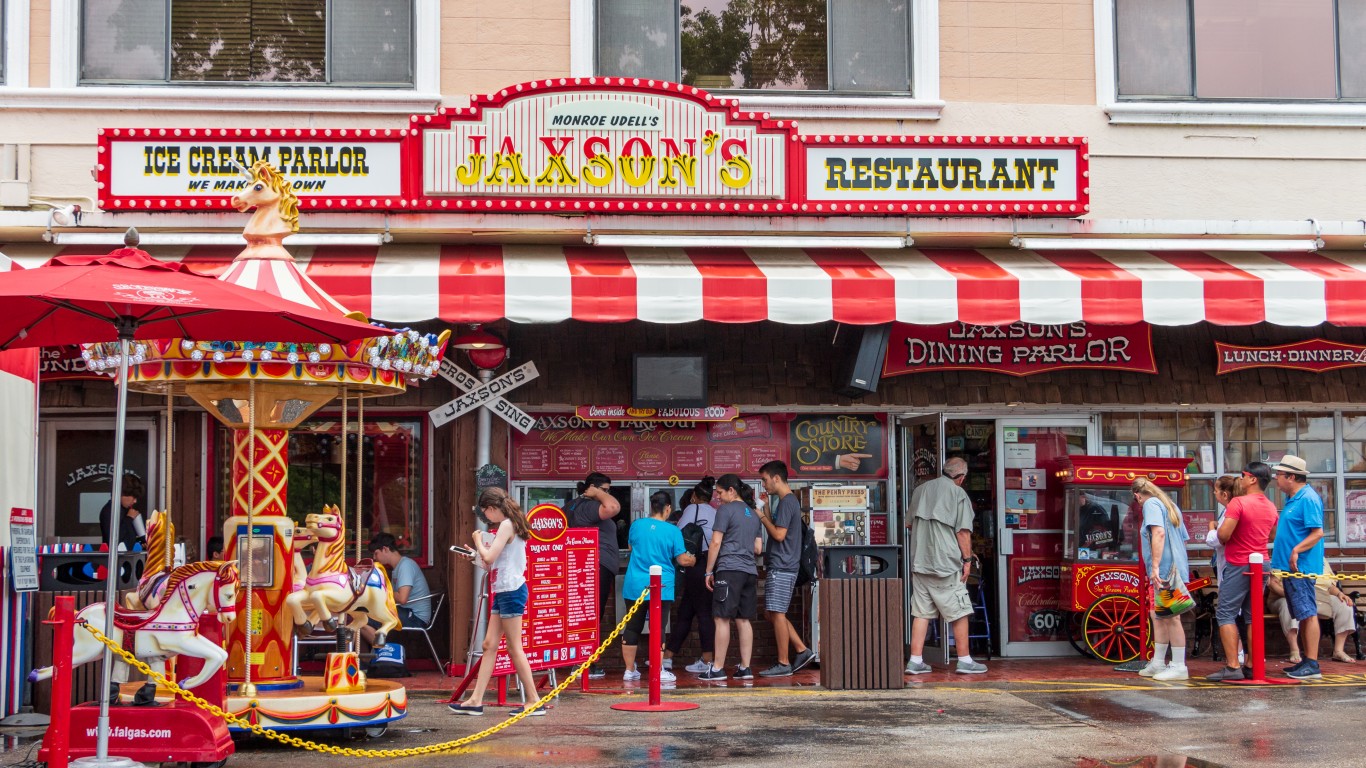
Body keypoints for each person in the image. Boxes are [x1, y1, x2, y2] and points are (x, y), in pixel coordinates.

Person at [450, 488, 544, 717]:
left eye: (485, 513)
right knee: (489, 644)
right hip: (504, 590)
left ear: (492, 508)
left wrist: (477, 540)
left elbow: (490, 556)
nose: (486, 518)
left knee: (514, 647)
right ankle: (475, 700)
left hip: (511, 590)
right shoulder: (509, 524)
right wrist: (475, 555)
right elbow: (491, 561)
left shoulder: (506, 525)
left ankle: (534, 700)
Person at [904, 458, 986, 675]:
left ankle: (915, 661)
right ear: (961, 478)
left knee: (921, 612)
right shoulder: (958, 494)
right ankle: (965, 660)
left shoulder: (921, 490)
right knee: (959, 610)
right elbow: (963, 532)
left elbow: (909, 523)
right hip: (946, 563)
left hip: (920, 561)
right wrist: (967, 560)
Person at [1205, 463, 1277, 682]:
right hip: (1262, 562)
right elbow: (1272, 535)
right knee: (1252, 615)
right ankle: (1252, 665)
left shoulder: (1238, 502)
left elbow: (1224, 535)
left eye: (1243, 475)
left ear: (1253, 479)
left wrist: (1214, 529)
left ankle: (1232, 665)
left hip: (1239, 562)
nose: (1241, 479)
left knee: (1225, 613)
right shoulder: (1271, 506)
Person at [620, 491, 696, 683]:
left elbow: (631, 547)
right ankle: (658, 670)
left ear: (651, 506)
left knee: (632, 627)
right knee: (658, 627)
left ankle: (629, 670)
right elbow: (682, 560)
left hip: (635, 583)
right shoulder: (673, 531)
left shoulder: (636, 525)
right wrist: (693, 559)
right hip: (660, 586)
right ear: (668, 508)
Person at [699, 473, 763, 682]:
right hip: (749, 571)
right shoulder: (754, 514)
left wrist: (709, 571)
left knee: (721, 618)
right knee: (743, 619)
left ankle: (717, 669)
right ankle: (745, 668)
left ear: (731, 491)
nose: (717, 497)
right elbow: (758, 548)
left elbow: (716, 542)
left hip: (729, 569)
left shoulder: (725, 510)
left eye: (719, 493)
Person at [755, 460, 816, 677]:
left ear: (776, 478)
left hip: (782, 565)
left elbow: (779, 535)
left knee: (778, 613)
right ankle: (801, 649)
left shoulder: (787, 502)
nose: (764, 485)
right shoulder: (786, 502)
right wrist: (766, 509)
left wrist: (761, 516)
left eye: (765, 480)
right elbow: (778, 530)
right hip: (783, 564)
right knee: (772, 612)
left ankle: (783, 663)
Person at [1270, 455, 1327, 680]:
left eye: (1279, 475)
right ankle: (1307, 660)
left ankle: (1312, 663)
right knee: (1303, 614)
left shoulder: (1308, 498)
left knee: (1308, 613)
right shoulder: (1293, 498)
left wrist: (1296, 550)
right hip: (1291, 568)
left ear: (1291, 477)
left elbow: (1317, 532)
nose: (1276, 478)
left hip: (1301, 567)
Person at [1133, 477, 1191, 681]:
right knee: (1158, 615)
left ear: (1137, 496)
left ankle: (1179, 666)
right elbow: (1183, 539)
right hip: (1173, 568)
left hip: (1165, 571)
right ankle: (1158, 662)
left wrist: (1156, 566)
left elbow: (1158, 533)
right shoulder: (1169, 504)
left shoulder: (1150, 504)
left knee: (1171, 616)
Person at [565, 472, 622, 679]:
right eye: (605, 490)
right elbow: (613, 507)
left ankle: (582, 661)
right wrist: (597, 493)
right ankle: (583, 663)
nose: (608, 494)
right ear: (592, 488)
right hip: (594, 566)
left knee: (586, 616)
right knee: (590, 617)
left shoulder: (573, 506)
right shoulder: (587, 506)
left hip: (589, 566)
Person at [665, 477, 718, 674]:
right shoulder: (715, 512)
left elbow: (677, 535)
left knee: (703, 612)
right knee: (686, 612)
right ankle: (667, 657)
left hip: (696, 563)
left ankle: (707, 660)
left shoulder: (691, 509)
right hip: (711, 564)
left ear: (694, 496)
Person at [1269, 561, 1358, 665]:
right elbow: (1272, 583)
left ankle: (1338, 651)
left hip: (1319, 596)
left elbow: (1329, 586)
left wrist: (1339, 594)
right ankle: (1294, 650)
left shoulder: (1320, 559)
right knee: (1290, 604)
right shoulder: (1285, 556)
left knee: (1345, 606)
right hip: (1285, 594)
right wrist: (1290, 595)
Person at [360, 532, 432, 646]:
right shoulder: (397, 568)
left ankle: (384, 652)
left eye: (376, 553)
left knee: (362, 619)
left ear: (385, 549)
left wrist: (380, 591)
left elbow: (402, 598)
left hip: (415, 617)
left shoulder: (405, 566)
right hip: (405, 611)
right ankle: (382, 651)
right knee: (363, 613)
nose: (374, 558)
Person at [99, 474, 145, 551]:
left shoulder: (125, 510)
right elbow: (114, 538)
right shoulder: (109, 510)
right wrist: (129, 519)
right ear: (123, 494)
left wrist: (141, 541)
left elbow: (129, 537)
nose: (135, 501)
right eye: (133, 497)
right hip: (116, 556)